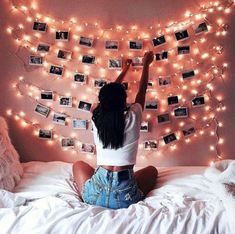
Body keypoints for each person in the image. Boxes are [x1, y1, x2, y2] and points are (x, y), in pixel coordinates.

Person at [73, 51, 158, 209]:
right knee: (152, 171)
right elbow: (142, 91)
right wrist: (146, 64)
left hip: (96, 194)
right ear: (123, 101)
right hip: (125, 196)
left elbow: (108, 95)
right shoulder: (133, 115)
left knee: (78, 165)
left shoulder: (96, 115)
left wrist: (124, 70)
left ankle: (88, 196)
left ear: (102, 101)